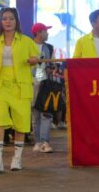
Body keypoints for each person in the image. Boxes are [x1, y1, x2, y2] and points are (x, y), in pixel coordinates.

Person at [0, 7, 39, 172]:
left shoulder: (26, 41)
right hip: (0, 85)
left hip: (21, 86)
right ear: (0, 21)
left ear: (16, 21)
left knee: (20, 123)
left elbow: (36, 57)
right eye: (5, 18)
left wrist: (34, 60)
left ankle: (17, 159)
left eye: (11, 18)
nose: (8, 21)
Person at [31, 23, 55, 153]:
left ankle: (45, 141)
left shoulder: (49, 48)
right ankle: (38, 142)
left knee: (46, 112)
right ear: (39, 32)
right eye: (46, 31)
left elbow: (51, 65)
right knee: (35, 115)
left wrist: (51, 68)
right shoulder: (27, 45)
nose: (48, 33)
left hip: (45, 82)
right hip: (30, 82)